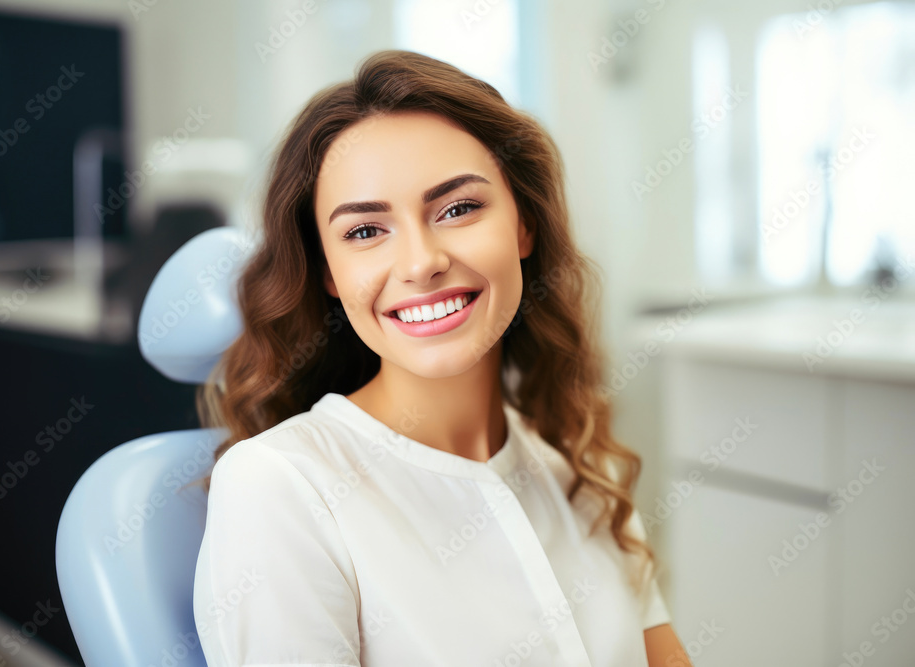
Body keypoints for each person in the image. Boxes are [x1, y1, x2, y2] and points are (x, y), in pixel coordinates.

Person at [192, 49, 692, 666]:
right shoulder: (279, 487)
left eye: (458, 209)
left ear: (524, 226)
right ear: (328, 271)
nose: (421, 261)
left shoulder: (582, 469)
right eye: (365, 231)